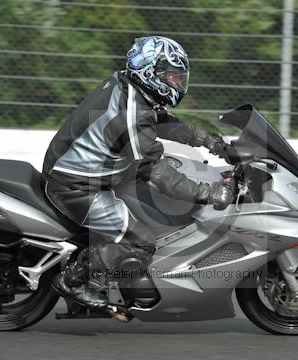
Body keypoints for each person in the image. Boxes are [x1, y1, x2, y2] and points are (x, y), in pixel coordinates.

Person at [43, 36, 235, 309]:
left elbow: (164, 124)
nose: (177, 83)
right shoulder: (132, 111)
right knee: (141, 240)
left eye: (179, 77)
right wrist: (208, 192)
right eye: (171, 76)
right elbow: (154, 171)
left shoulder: (130, 90)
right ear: (149, 72)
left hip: (91, 175)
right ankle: (73, 281)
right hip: (76, 187)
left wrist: (212, 142)